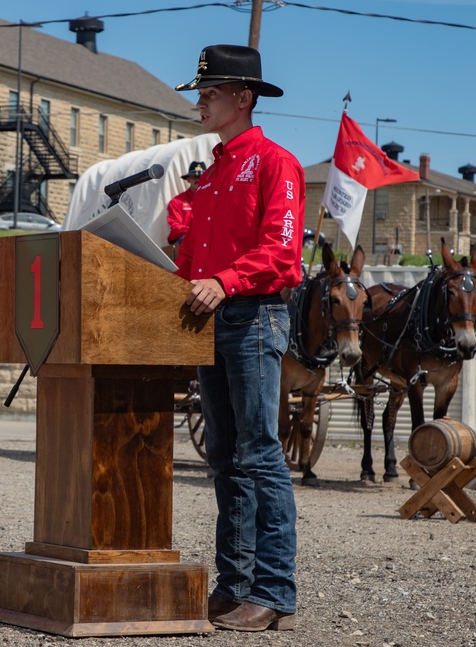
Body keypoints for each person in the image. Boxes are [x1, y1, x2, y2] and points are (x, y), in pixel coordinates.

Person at [174, 44, 306, 632]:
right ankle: (234, 586)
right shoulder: (213, 171)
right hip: (215, 320)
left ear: (243, 98)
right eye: (200, 93)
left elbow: (281, 253)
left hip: (252, 317)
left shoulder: (276, 163)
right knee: (225, 460)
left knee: (258, 456)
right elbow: (189, 258)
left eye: (209, 93)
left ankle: (273, 591)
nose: (199, 102)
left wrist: (223, 282)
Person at [166, 161, 206, 245]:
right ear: (188, 179)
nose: (198, 179)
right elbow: (175, 226)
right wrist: (196, 232)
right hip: (184, 239)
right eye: (195, 176)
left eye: (201, 176)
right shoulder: (176, 202)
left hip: (204, 238)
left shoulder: (212, 200)